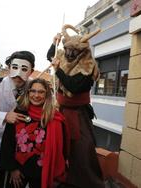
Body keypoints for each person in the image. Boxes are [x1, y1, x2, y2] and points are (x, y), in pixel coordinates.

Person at [47, 24, 105, 188]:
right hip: (61, 110)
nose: (70, 54)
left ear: (82, 51)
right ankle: (63, 176)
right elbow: (50, 56)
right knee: (59, 144)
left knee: (82, 149)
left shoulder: (89, 66)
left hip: (78, 114)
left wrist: (58, 70)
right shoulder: (63, 55)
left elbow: (74, 86)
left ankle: (87, 182)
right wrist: (54, 42)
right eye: (68, 50)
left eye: (74, 51)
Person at [0, 50, 35, 188]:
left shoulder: (34, 87)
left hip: (25, 147)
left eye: (24, 69)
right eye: (14, 67)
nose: (18, 73)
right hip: (1, 143)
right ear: (9, 67)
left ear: (31, 71)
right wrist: (4, 116)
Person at [0, 78, 65, 188]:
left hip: (42, 172)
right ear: (28, 92)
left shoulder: (53, 117)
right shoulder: (18, 113)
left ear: (47, 95)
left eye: (41, 92)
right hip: (19, 171)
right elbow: (7, 142)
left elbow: (60, 147)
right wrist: (12, 169)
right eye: (33, 91)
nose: (36, 95)